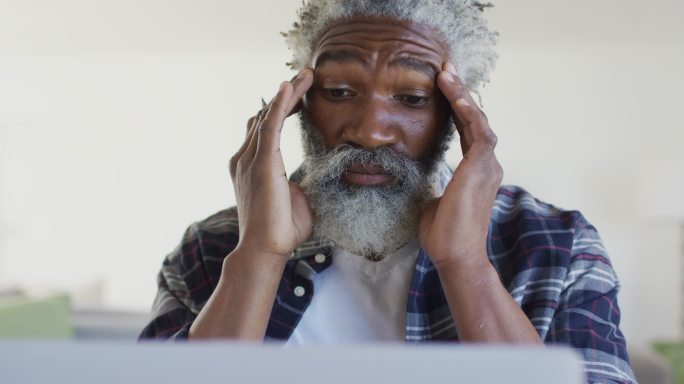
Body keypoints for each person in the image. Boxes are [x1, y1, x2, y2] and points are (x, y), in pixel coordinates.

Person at [139, 1, 636, 382]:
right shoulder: (210, 250)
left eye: (412, 98)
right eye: (338, 92)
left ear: (457, 114)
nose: (372, 131)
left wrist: (464, 264)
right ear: (299, 103)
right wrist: (259, 257)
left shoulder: (558, 247)